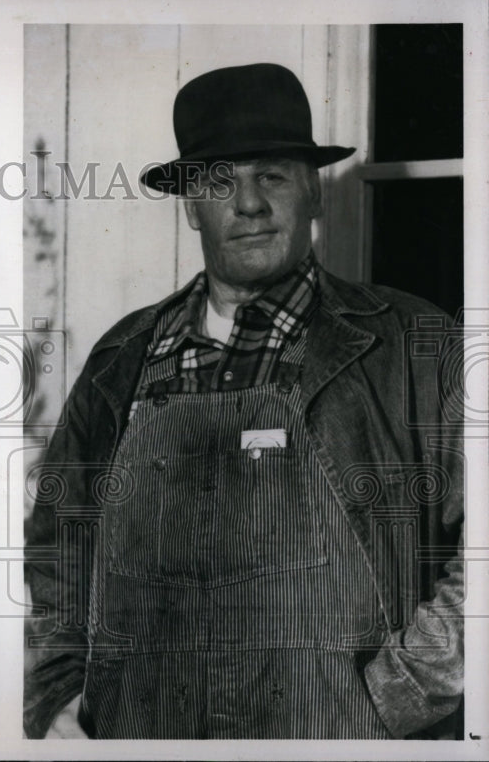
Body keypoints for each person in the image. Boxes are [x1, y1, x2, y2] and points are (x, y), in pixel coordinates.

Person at [24, 63, 464, 740]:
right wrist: (58, 696)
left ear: (314, 191)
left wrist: (395, 696)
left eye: (273, 175)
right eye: (220, 181)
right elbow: (58, 547)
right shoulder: (124, 362)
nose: (249, 203)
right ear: (190, 203)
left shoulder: (416, 347)